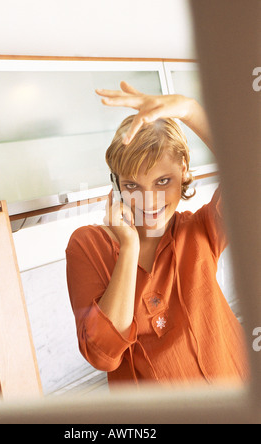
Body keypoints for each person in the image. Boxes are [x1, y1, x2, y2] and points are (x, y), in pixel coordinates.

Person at [65, 81, 249, 388]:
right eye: (133, 185)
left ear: (184, 170)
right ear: (117, 184)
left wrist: (190, 110)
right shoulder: (87, 245)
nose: (148, 201)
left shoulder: (199, 229)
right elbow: (102, 355)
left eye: (163, 181)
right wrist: (128, 248)